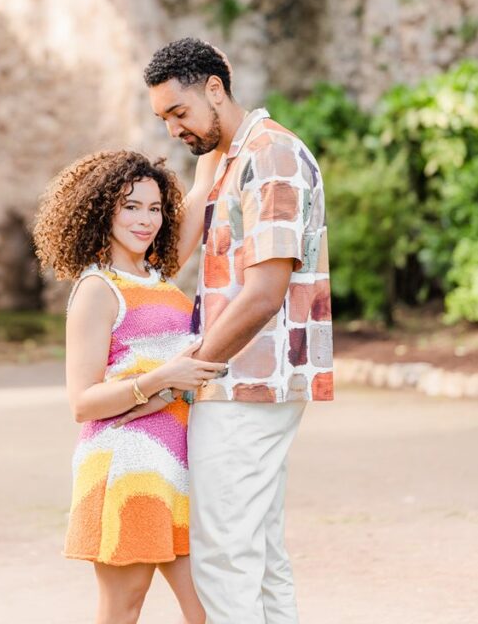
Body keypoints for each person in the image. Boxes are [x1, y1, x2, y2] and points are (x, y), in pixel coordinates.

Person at [141, 37, 333, 624]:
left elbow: (264, 295)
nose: (173, 128)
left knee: (223, 556)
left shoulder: (271, 156)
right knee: (260, 553)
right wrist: (202, 173)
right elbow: (173, 261)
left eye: (179, 112)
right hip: (240, 382)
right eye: (163, 119)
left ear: (216, 90)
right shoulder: (228, 158)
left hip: (249, 380)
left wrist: (184, 372)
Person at [33, 148, 227, 624]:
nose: (147, 220)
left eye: (155, 208)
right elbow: (82, 402)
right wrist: (163, 378)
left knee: (209, 608)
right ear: (103, 211)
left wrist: (218, 131)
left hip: (177, 465)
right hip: (126, 465)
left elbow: (202, 194)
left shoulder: (157, 277)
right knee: (124, 608)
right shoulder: (98, 289)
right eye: (131, 206)